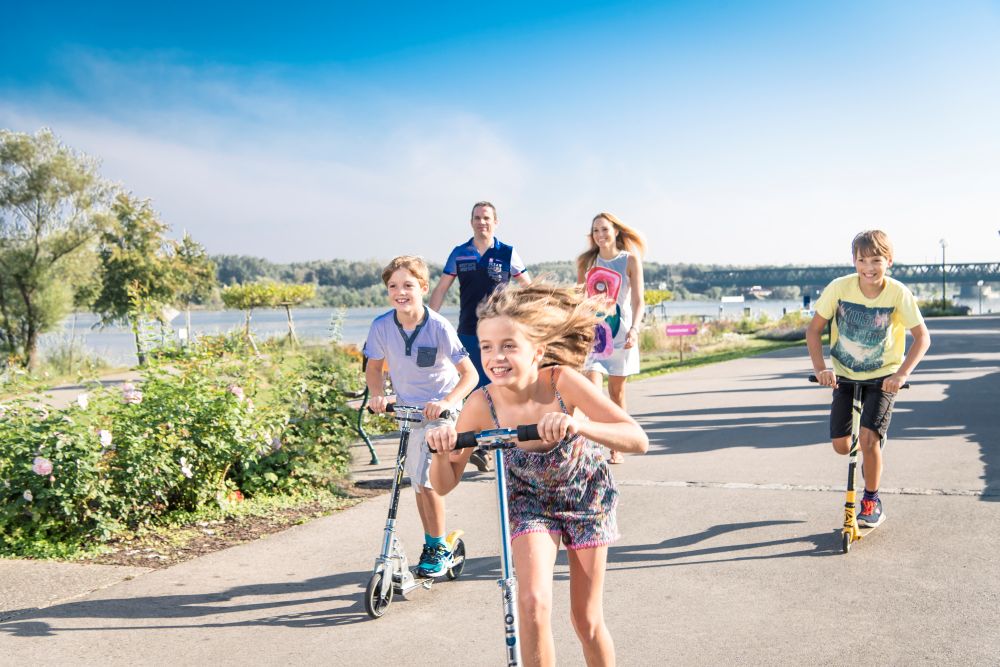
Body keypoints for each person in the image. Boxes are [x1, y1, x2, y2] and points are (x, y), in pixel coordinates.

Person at [427, 281, 648, 667]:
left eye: (509, 345)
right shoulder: (480, 405)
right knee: (530, 605)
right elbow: (444, 484)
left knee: (586, 620)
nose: (496, 357)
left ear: (538, 351)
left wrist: (579, 426)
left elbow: (637, 439)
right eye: (487, 347)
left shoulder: (561, 382)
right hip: (530, 504)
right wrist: (440, 451)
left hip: (585, 499)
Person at [806, 230, 930, 528]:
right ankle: (870, 442)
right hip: (844, 377)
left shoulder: (898, 292)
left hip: (883, 378)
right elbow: (813, 330)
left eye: (876, 260)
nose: (868, 267)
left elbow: (922, 338)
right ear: (853, 261)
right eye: (862, 260)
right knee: (840, 444)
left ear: (889, 261)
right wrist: (822, 368)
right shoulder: (839, 288)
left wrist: (900, 375)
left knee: (868, 438)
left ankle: (871, 500)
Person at [364, 255, 478, 577]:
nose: (401, 292)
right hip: (407, 411)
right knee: (417, 483)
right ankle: (434, 541)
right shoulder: (382, 326)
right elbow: (374, 368)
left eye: (408, 285)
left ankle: (437, 546)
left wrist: (446, 401)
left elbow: (469, 376)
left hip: (441, 412)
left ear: (424, 288)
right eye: (393, 286)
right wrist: (377, 394)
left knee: (428, 479)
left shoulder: (439, 326)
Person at [429, 201, 531, 471]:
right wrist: (428, 320)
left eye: (486, 218)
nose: (481, 222)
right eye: (477, 218)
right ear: (471, 221)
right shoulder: (459, 253)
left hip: (500, 333)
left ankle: (499, 446)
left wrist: (535, 319)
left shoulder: (508, 253)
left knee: (500, 386)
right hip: (468, 332)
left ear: (496, 222)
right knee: (474, 388)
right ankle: (479, 446)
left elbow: (529, 289)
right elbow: (440, 290)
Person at [576, 212, 646, 464]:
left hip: (622, 335)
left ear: (615, 231)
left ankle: (617, 444)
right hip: (595, 337)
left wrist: (635, 329)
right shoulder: (586, 262)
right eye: (596, 230)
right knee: (592, 393)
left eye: (604, 229)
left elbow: (638, 300)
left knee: (616, 394)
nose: (600, 235)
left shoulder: (629, 260)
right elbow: (579, 301)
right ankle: (591, 448)